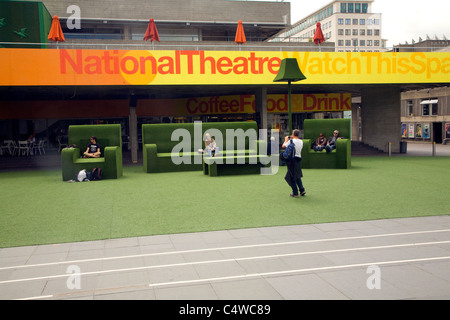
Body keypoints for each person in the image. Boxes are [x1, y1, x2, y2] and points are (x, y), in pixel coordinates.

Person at [282, 129, 305, 198]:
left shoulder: (290, 141)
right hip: (298, 159)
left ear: (293, 134)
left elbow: (283, 146)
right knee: (297, 175)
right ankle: (302, 190)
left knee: (290, 176)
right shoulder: (301, 141)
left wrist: (286, 140)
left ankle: (295, 192)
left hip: (291, 160)